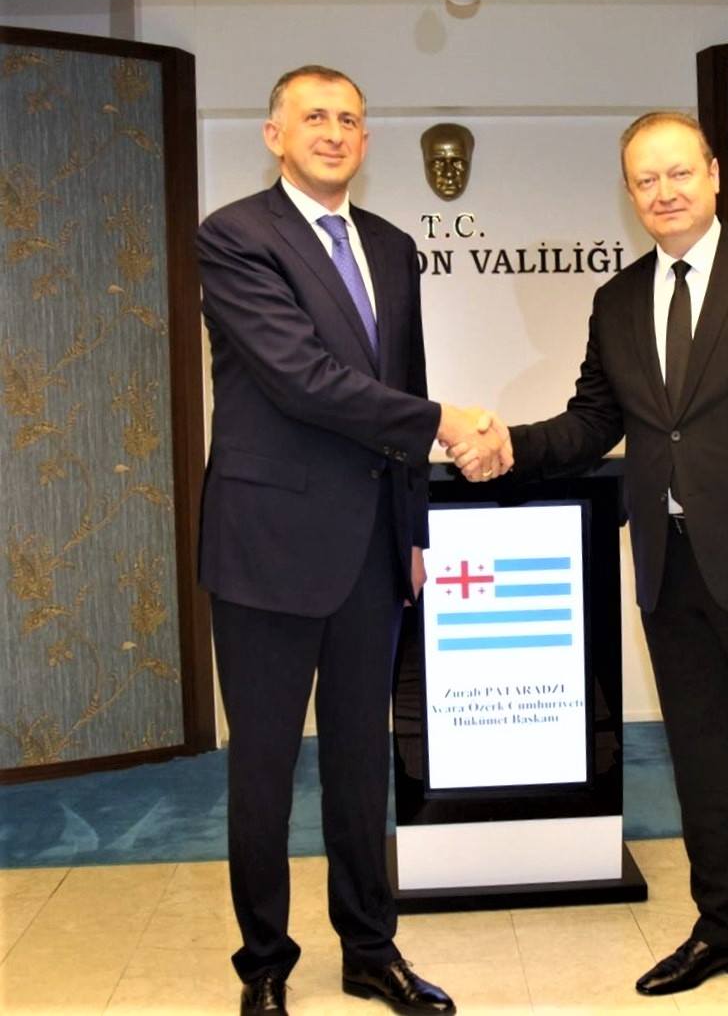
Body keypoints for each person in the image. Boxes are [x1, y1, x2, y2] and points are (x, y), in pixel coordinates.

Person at [493, 112, 728, 1016]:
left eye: (678, 173)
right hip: (669, 565)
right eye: (644, 180)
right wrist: (506, 444)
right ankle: (720, 929)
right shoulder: (617, 299)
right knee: (701, 756)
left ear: (713, 174)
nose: (663, 193)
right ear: (628, 194)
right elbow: (593, 421)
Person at [196, 64, 507, 1016]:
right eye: (315, 117)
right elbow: (301, 379)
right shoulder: (235, 237)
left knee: (361, 762)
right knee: (263, 770)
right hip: (265, 547)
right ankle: (264, 966)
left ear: (366, 141)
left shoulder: (392, 245)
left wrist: (412, 529)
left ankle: (370, 950)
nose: (334, 132)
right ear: (274, 134)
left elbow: (399, 385)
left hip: (373, 551)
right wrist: (447, 420)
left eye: (350, 120)